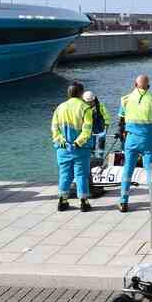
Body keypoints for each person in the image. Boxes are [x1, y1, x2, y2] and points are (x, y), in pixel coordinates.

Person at [117, 75, 152, 213]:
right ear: (148, 86)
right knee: (151, 171)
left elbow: (120, 121)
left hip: (131, 139)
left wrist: (123, 135)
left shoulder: (125, 99)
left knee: (128, 169)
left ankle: (123, 201)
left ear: (135, 84)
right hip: (148, 139)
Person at [52, 82, 93, 212]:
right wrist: (77, 143)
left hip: (63, 149)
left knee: (64, 174)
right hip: (80, 150)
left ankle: (62, 201)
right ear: (81, 93)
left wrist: (63, 142)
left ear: (68, 93)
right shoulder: (85, 108)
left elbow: (54, 129)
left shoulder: (60, 108)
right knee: (81, 175)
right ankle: (83, 201)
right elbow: (87, 130)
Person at [82, 90, 110, 157]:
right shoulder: (83, 108)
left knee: (101, 142)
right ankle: (92, 156)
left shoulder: (100, 106)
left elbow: (107, 118)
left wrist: (105, 130)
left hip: (100, 127)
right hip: (90, 129)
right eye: (87, 102)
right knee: (91, 143)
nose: (89, 104)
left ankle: (101, 156)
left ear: (93, 100)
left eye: (90, 102)